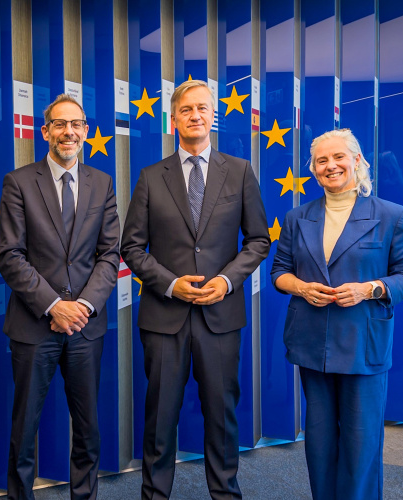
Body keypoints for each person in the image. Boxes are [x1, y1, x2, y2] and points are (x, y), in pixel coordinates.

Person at [121, 79, 270, 499]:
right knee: (160, 418)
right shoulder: (151, 177)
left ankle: (225, 494)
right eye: (187, 109)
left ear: (213, 118)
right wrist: (170, 284)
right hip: (164, 318)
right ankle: (155, 495)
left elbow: (258, 239)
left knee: (222, 416)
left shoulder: (240, 171)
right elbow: (130, 247)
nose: (196, 116)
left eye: (203, 109)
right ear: (174, 119)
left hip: (220, 318)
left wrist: (225, 280)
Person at [270, 129, 403, 500]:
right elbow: (279, 272)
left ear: (356, 161)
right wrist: (302, 287)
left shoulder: (390, 215)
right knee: (319, 443)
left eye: (338, 157)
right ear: (313, 170)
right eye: (321, 161)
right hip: (311, 345)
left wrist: (369, 289)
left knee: (361, 442)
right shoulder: (297, 217)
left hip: (362, 346)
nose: (330, 166)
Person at [0, 94, 120, 500]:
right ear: (45, 130)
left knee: (87, 427)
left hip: (85, 326)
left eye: (77, 124)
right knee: (24, 426)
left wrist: (81, 307)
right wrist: (54, 306)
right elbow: (10, 255)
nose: (69, 132)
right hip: (35, 324)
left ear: (86, 131)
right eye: (60, 124)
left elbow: (109, 254)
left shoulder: (102, 183)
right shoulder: (18, 182)